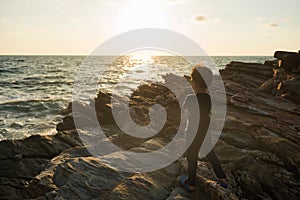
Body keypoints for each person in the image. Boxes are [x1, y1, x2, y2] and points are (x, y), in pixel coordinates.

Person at [179, 66, 227, 192]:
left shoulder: (190, 98)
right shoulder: (209, 98)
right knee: (210, 152)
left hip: (192, 131)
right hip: (205, 130)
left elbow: (184, 109)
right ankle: (222, 178)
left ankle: (191, 182)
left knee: (192, 155)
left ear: (194, 83)